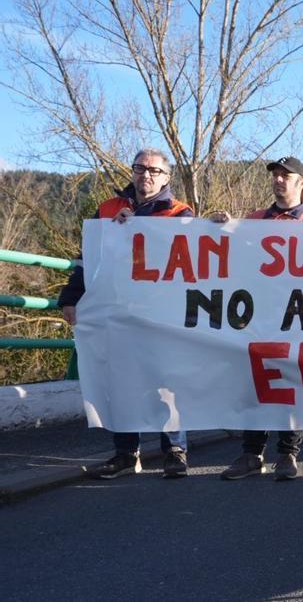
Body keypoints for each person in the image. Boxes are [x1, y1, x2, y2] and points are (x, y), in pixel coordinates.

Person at [60, 148, 194, 480]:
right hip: (116, 310)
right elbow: (87, 258)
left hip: (161, 314)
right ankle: (125, 453)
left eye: (154, 170)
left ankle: (175, 451)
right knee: (120, 382)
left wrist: (134, 230)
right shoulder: (108, 208)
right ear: (132, 171)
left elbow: (189, 261)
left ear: (166, 177)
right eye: (139, 168)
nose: (146, 175)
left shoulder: (179, 212)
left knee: (166, 382)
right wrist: (71, 297)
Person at [210, 156, 303, 481]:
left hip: (300, 317)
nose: (279, 180)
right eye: (275, 176)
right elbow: (231, 255)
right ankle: (251, 454)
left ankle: (288, 454)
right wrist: (220, 227)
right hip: (259, 317)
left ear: (301, 183)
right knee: (254, 382)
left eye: (286, 176)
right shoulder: (254, 220)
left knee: (293, 383)